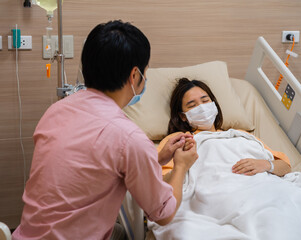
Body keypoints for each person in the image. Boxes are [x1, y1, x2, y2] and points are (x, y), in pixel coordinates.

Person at [12, 21, 197, 240]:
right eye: (146, 72)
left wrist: (155, 158)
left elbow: (94, 166)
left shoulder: (56, 111)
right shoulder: (129, 138)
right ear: (135, 76)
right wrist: (182, 166)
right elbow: (163, 213)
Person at [159, 78, 291, 177]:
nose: (202, 107)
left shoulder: (240, 134)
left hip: (260, 183)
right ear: (183, 116)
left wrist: (265, 165)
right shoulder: (179, 139)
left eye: (205, 101)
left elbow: (285, 166)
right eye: (192, 105)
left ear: (214, 104)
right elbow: (162, 176)